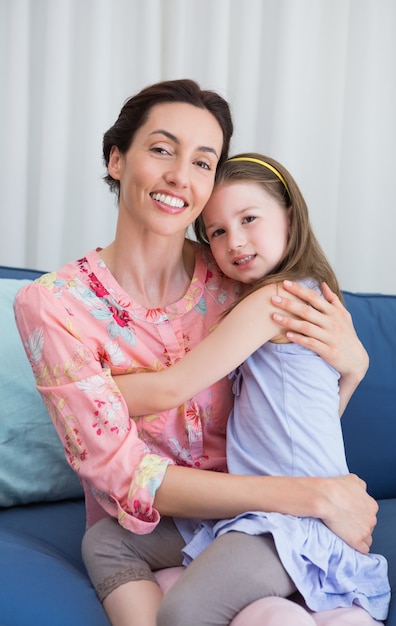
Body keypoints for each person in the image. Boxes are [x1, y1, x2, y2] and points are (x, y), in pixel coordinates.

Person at [13, 79, 375, 626]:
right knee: (106, 543)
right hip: (187, 518)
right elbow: (123, 471)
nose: (181, 176)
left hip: (259, 517)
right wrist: (312, 496)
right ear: (116, 159)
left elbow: (289, 410)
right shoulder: (54, 306)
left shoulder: (237, 277)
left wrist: (355, 363)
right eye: (162, 149)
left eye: (203, 162)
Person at [114, 153, 390, 623]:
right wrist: (353, 372)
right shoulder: (303, 295)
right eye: (217, 231)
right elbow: (311, 420)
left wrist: (77, 387)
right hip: (262, 506)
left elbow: (170, 389)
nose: (235, 241)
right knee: (109, 541)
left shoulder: (276, 303)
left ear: (289, 215)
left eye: (249, 219)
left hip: (288, 522)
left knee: (183, 612)